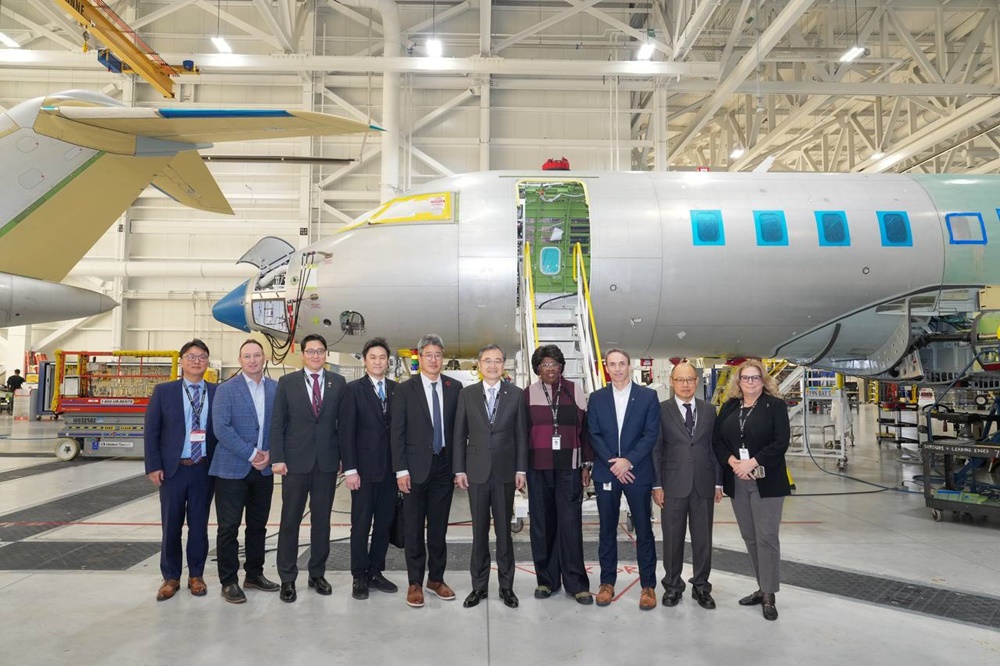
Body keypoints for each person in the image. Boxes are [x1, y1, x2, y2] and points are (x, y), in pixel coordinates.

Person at [269, 333, 346, 603]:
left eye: (320, 351)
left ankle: (317, 574)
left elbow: (343, 424)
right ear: (302, 354)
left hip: (326, 463)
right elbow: (277, 423)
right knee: (290, 521)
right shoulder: (287, 382)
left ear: (326, 354)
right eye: (311, 351)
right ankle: (287, 578)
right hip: (295, 463)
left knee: (322, 522)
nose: (316, 355)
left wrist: (343, 458)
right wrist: (277, 458)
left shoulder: (338, 382)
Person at [713, 359, 791, 621]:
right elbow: (717, 440)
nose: (750, 382)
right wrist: (733, 462)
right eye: (745, 378)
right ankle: (761, 586)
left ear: (763, 380)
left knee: (767, 537)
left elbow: (781, 442)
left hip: (766, 481)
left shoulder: (775, 406)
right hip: (738, 479)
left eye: (755, 378)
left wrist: (752, 462)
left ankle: (769, 595)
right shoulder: (730, 406)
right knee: (750, 537)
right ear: (738, 381)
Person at [453, 344, 528, 609]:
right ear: (479, 364)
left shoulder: (516, 394)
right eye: (487, 360)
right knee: (479, 531)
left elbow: (521, 435)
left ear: (504, 365)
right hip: (476, 471)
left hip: (505, 472)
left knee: (504, 532)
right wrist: (459, 469)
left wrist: (521, 469)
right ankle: (479, 586)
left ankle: (507, 587)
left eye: (497, 360)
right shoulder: (467, 394)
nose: (493, 365)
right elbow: (459, 434)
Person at [144, 339, 217, 602]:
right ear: (182, 361)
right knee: (171, 526)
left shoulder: (217, 392)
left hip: (204, 469)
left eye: (202, 357)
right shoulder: (164, 391)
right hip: (173, 470)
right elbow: (151, 430)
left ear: (207, 362)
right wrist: (153, 465)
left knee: (199, 526)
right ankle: (171, 577)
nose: (197, 361)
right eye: (191, 356)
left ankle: (196, 575)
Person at [391, 334, 461, 608]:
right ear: (419, 358)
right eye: (428, 355)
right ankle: (415, 582)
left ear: (443, 358)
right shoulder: (404, 390)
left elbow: (459, 432)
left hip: (444, 467)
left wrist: (459, 468)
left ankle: (436, 579)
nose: (433, 359)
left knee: (439, 529)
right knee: (413, 529)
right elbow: (397, 433)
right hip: (414, 468)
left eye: (438, 355)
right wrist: (400, 470)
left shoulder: (454, 388)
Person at [587, 348, 660, 610]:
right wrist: (615, 463)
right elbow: (594, 434)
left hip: (637, 471)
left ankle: (648, 585)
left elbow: (651, 433)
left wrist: (628, 460)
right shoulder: (597, 398)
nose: (617, 369)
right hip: (607, 471)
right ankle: (607, 583)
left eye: (622, 364)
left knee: (644, 529)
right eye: (612, 364)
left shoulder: (648, 396)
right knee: (607, 528)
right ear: (606, 367)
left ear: (630, 366)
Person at [209, 339, 279, 604]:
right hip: (231, 468)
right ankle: (229, 581)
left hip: (264, 469)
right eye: (247, 356)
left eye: (257, 355)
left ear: (264, 358)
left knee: (258, 526)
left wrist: (270, 454)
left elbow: (281, 425)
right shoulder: (226, 390)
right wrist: (252, 454)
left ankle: (254, 574)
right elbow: (221, 428)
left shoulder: (276, 388)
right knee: (228, 527)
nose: (252, 360)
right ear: (240, 360)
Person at [523, 344, 593, 605]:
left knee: (570, 524)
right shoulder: (527, 394)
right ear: (537, 369)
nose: (550, 369)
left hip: (569, 467)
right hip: (537, 468)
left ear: (561, 367)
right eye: (545, 365)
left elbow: (585, 430)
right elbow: (522, 433)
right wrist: (521, 469)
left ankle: (576, 583)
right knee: (542, 525)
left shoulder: (575, 390)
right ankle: (546, 580)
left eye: (554, 364)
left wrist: (586, 465)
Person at [652, 361, 722, 610]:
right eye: (680, 380)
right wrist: (657, 485)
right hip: (672, 484)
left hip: (703, 483)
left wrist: (718, 482)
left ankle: (701, 586)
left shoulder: (709, 410)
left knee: (703, 539)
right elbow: (656, 449)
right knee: (672, 538)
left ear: (697, 381)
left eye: (690, 379)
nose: (685, 384)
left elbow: (715, 448)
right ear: (672, 382)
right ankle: (672, 586)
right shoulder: (661, 410)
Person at [339, 337, 400, 600]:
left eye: (382, 357)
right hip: (362, 471)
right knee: (361, 525)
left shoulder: (397, 390)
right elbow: (346, 432)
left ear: (388, 361)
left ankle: (375, 571)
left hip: (389, 471)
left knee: (384, 524)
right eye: (373, 357)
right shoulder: (353, 390)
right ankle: (359, 575)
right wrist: (350, 469)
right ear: (365, 361)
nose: (377, 362)